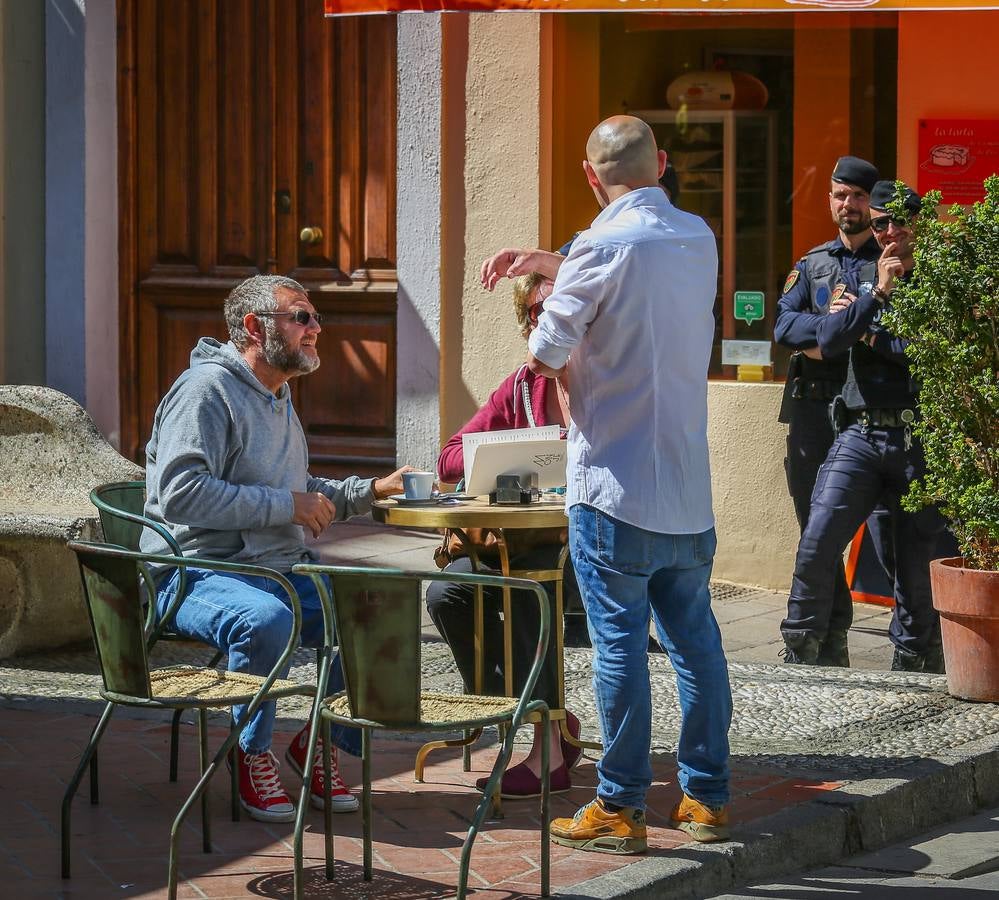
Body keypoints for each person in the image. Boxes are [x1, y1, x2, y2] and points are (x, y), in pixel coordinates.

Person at [482, 116, 732, 854]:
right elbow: (635, 276)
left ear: (591, 177)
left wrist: (560, 275)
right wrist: (559, 262)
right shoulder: (697, 237)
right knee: (696, 646)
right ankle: (706, 799)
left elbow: (546, 346)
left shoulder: (598, 245)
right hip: (685, 486)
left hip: (614, 486)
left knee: (619, 648)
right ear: (659, 163)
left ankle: (620, 806)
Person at [141, 274, 411, 823]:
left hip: (272, 567)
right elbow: (181, 494)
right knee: (266, 620)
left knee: (370, 607)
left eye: (315, 318)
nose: (317, 329)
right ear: (254, 329)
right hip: (192, 570)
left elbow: (298, 491)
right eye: (301, 318)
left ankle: (318, 744)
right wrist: (287, 506)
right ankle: (250, 752)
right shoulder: (206, 392)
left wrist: (371, 491)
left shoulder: (277, 397)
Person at [428, 272, 584, 799]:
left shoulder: (605, 381)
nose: (548, 321)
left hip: (588, 547)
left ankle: (548, 749)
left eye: (560, 308)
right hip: (518, 542)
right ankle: (536, 713)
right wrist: (510, 455)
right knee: (447, 591)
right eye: (538, 312)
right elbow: (450, 457)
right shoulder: (521, 387)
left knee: (528, 590)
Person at [780, 181, 948, 673]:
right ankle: (802, 646)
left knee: (911, 558)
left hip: (918, 437)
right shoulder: (863, 279)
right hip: (859, 432)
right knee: (818, 537)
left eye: (902, 219)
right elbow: (830, 338)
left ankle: (917, 657)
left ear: (919, 223)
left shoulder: (939, 283)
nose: (890, 230)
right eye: (881, 222)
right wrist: (876, 296)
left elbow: (922, 352)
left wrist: (868, 334)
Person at [773, 155, 886, 667]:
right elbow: (783, 329)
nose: (848, 205)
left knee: (881, 534)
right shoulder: (813, 263)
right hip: (811, 413)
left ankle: (913, 640)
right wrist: (831, 335)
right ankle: (828, 635)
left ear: (870, 202)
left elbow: (873, 339)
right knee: (813, 529)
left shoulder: (884, 265)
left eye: (858, 197)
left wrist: (826, 338)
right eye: (840, 195)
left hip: (861, 412)